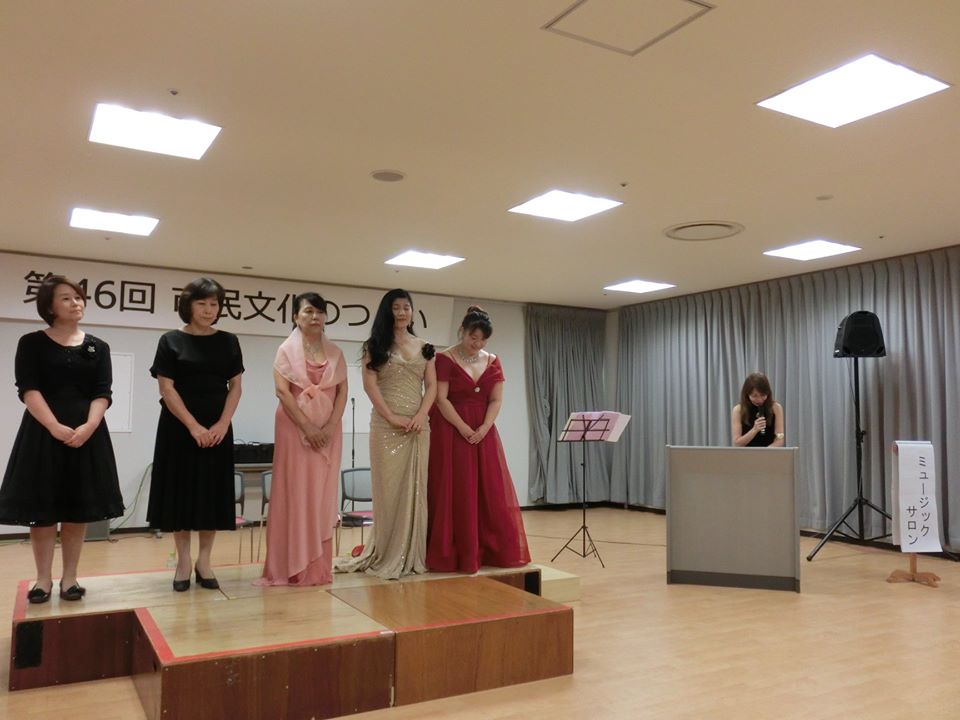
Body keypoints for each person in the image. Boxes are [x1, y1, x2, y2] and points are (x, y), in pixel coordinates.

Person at [0, 276, 124, 603]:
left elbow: (103, 392)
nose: (76, 303)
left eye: (79, 297)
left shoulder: (99, 346)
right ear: (50, 306)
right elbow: (28, 388)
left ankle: (70, 577)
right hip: (42, 433)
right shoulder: (31, 343)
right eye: (67, 298)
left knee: (76, 508)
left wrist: (89, 426)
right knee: (42, 510)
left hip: (87, 434)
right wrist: (54, 425)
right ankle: (42, 579)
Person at [146, 277, 244, 591]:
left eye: (214, 304)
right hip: (179, 428)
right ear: (187, 305)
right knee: (181, 494)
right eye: (201, 303)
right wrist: (193, 426)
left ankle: (204, 561)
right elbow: (166, 388)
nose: (208, 309)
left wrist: (223, 424)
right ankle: (184, 562)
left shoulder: (228, 341)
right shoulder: (171, 340)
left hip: (217, 428)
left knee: (210, 495)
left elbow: (235, 386)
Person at [335, 289, 436, 579]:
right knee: (388, 491)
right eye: (396, 307)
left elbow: (431, 386)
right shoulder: (375, 345)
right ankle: (387, 551)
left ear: (412, 312)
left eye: (406, 307)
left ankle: (411, 554)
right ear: (386, 311)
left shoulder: (426, 347)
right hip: (386, 427)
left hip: (417, 427)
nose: (402, 312)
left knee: (416, 490)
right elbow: (370, 385)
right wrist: (391, 416)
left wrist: (421, 415)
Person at [427, 306, 530, 573]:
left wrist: (485, 426)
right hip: (450, 429)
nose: (478, 344)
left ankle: (487, 550)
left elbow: (496, 399)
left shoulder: (493, 360)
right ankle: (456, 552)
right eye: (473, 337)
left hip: (483, 431)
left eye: (483, 339)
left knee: (487, 487)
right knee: (456, 486)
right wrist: (462, 427)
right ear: (462, 331)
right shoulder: (444, 358)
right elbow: (441, 399)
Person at [256, 293, 347, 586]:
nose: (314, 317)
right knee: (295, 492)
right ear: (295, 316)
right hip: (294, 429)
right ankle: (291, 567)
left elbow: (343, 392)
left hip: (329, 432)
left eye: (319, 311)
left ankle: (317, 568)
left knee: (321, 494)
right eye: (308, 311)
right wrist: (308, 427)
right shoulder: (285, 351)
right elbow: (282, 392)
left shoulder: (336, 352)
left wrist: (330, 426)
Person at [732, 372, 784, 447]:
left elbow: (780, 439)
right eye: (755, 396)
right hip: (746, 453)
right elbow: (737, 443)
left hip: (770, 452)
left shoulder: (776, 408)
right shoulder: (738, 410)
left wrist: (765, 452)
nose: (759, 400)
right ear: (747, 394)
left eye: (763, 395)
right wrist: (754, 430)